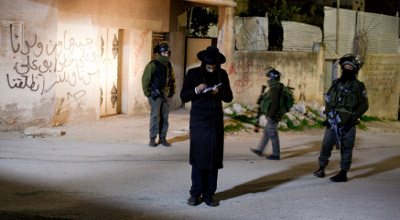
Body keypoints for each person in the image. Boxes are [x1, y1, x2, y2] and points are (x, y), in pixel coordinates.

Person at [180, 46, 233, 207]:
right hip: (198, 122)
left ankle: (209, 193)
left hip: (215, 121)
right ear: (204, 63)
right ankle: (195, 193)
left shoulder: (221, 74)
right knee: (198, 158)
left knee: (213, 159)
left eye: (214, 68)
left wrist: (219, 93)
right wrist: (196, 89)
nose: (211, 71)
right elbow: (183, 96)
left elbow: (229, 97)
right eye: (209, 67)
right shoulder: (193, 73)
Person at [313, 54, 369, 182]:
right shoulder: (336, 83)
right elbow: (328, 98)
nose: (347, 69)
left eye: (350, 67)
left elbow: (364, 105)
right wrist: (328, 115)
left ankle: (343, 172)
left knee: (346, 147)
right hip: (334, 121)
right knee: (326, 145)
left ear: (355, 70)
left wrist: (352, 119)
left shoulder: (358, 86)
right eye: (345, 67)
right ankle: (321, 168)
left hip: (348, 123)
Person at [142, 42, 176, 147]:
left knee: (165, 117)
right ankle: (152, 139)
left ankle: (162, 138)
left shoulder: (169, 66)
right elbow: (145, 80)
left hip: (165, 95)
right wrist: (148, 94)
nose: (166, 55)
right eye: (164, 53)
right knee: (155, 117)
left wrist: (172, 91)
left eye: (167, 53)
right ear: (160, 53)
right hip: (155, 96)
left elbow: (172, 79)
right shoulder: (152, 65)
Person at [250, 69, 283, 160]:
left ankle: (276, 154)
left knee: (273, 134)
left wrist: (271, 116)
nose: (267, 79)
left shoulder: (276, 88)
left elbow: (275, 104)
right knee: (267, 133)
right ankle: (260, 150)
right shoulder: (275, 87)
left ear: (272, 78)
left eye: (268, 77)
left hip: (273, 115)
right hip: (271, 114)